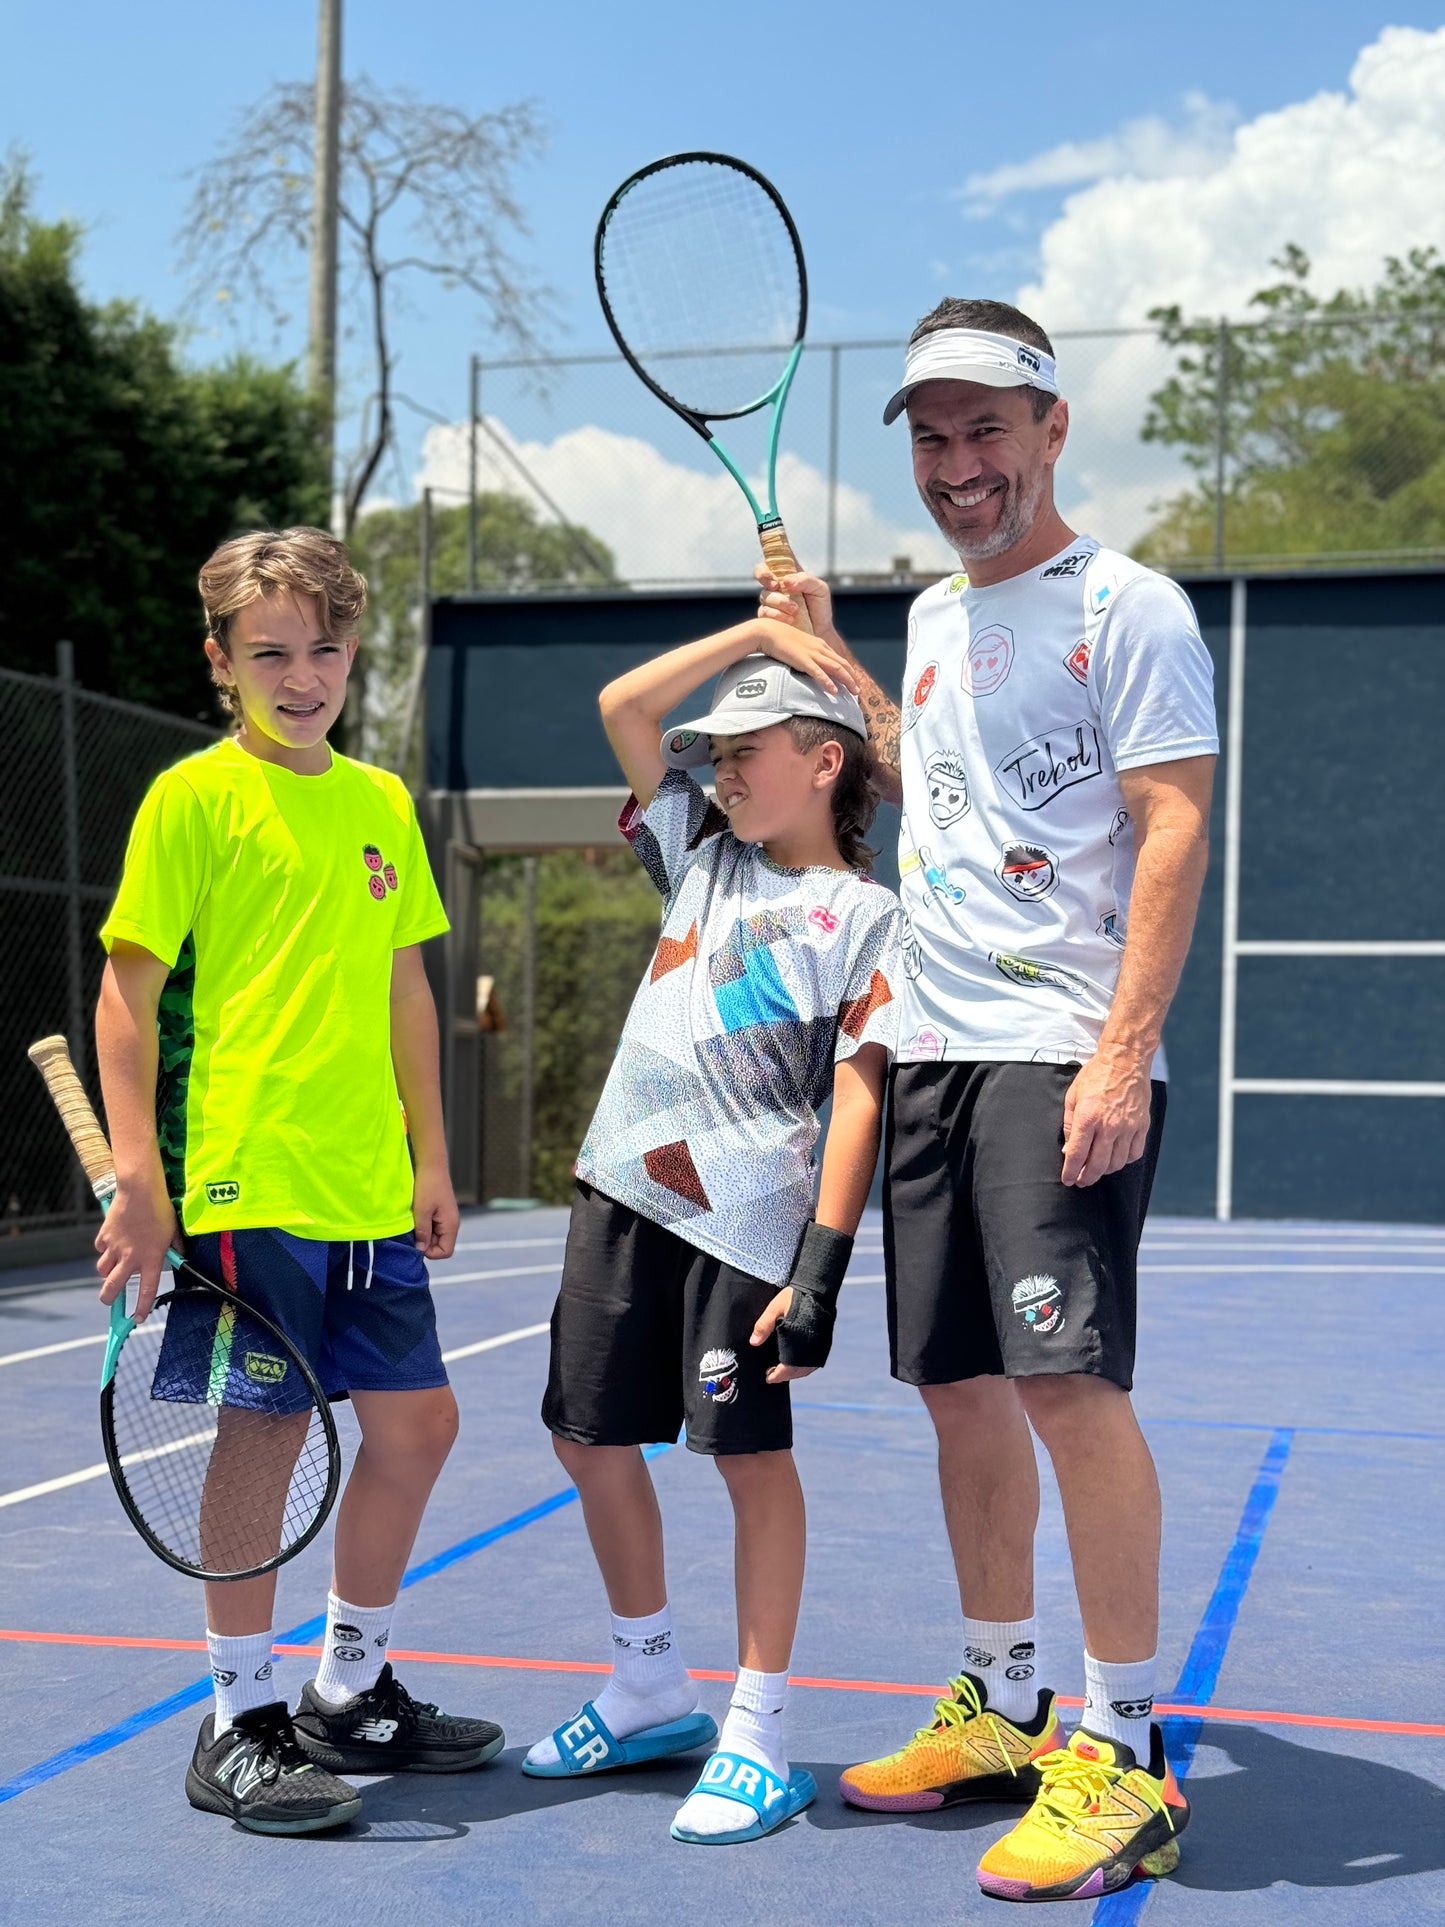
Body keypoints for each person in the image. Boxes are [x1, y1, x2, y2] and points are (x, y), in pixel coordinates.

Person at [758, 298, 1218, 1902]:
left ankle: (1126, 1746)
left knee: (1068, 1390)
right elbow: (938, 774)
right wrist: (826, 647)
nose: (959, 463)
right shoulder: (943, 615)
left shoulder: (1131, 605)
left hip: (1053, 1051)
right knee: (959, 1386)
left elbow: (1170, 828)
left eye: (985, 429)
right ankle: (1003, 1696)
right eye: (933, 436)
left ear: (1048, 428)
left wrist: (1118, 1051)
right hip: (934, 1046)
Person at [94, 527, 502, 1835]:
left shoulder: (381, 804)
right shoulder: (193, 798)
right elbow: (127, 994)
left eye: (324, 646)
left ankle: (348, 1685)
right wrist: (142, 1178)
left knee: (418, 1423)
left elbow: (404, 990)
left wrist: (433, 1155)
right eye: (269, 649)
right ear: (221, 659)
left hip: (368, 1184)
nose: (301, 671)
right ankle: (237, 1716)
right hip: (249, 1179)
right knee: (263, 1430)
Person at [522, 619, 903, 1846]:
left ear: (826, 761)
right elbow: (623, 707)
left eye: (748, 751)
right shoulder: (697, 855)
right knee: (585, 1435)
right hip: (618, 1188)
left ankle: (755, 1729)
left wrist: (823, 1271)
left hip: (743, 1225)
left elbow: (858, 1093)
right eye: (717, 755)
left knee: (746, 1463)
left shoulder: (863, 915)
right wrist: (758, 630)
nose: (720, 771)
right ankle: (647, 1686)